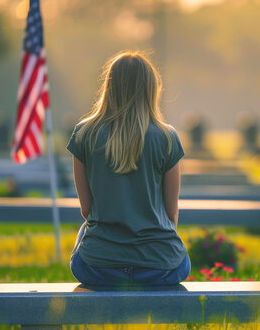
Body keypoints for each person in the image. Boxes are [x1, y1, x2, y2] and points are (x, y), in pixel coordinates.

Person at [67, 50, 190, 287]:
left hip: (97, 267)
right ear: (150, 88)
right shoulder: (167, 136)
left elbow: (87, 209)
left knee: (85, 230)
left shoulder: (84, 133)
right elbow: (171, 214)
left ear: (109, 86)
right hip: (160, 269)